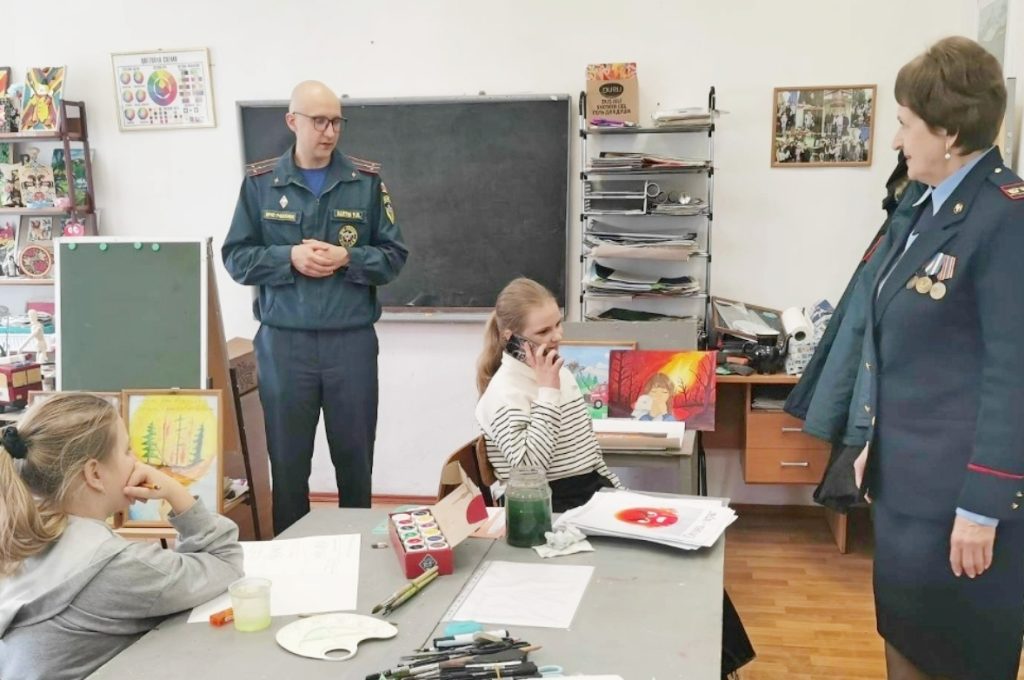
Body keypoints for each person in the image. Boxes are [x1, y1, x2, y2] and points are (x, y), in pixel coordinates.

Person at [850, 37, 1024, 680]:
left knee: (957, 660)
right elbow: (915, 353)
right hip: (908, 492)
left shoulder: (1005, 219)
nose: (898, 140)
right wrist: (876, 442)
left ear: (948, 132)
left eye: (905, 123)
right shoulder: (927, 209)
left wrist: (983, 507)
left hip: (961, 510)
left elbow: (1013, 375)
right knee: (905, 641)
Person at [222, 80, 408, 534]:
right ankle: (292, 558)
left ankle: (358, 549)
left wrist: (349, 258)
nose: (329, 131)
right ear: (293, 121)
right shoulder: (261, 184)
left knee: (355, 461)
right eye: (319, 121)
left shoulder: (365, 182)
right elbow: (236, 258)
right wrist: (288, 257)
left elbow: (394, 256)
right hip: (285, 346)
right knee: (288, 466)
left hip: (350, 343)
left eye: (336, 122)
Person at [0, 393, 243, 680]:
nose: (137, 461)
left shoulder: (20, 537)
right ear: (94, 474)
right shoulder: (116, 567)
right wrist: (175, 492)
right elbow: (226, 564)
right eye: (127, 451)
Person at [475, 277, 622, 512]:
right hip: (538, 505)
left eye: (558, 324)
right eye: (544, 331)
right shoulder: (503, 394)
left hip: (588, 495)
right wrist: (548, 394)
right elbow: (529, 470)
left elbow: (590, 458)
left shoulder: (560, 373)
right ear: (511, 338)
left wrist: (618, 493)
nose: (557, 336)